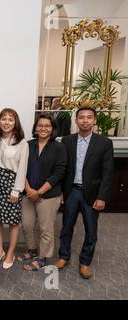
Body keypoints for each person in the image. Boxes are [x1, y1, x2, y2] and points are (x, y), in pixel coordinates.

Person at [54, 107, 114, 279]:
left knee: (91, 231)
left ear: (94, 120)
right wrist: (60, 192)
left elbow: (107, 173)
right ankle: (63, 256)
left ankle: (85, 262)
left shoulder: (104, 143)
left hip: (93, 194)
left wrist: (102, 197)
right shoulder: (66, 141)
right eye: (82, 117)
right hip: (71, 191)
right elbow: (62, 169)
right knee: (66, 228)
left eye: (89, 117)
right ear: (76, 120)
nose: (85, 120)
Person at [20, 113, 67, 271]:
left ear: (53, 128)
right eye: (40, 125)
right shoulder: (28, 144)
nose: (43, 128)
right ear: (35, 127)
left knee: (45, 228)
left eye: (47, 126)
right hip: (27, 192)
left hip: (48, 195)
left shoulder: (59, 147)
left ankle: (42, 258)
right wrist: (28, 189)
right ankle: (32, 250)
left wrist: (39, 192)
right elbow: (21, 169)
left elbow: (59, 173)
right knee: (26, 225)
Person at [0, 108, 29, 270]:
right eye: (3, 119)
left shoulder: (22, 143)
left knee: (13, 221)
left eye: (10, 119)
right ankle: (0, 249)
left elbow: (22, 168)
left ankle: (11, 252)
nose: (6, 122)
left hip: (12, 182)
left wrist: (16, 190)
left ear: (16, 123)